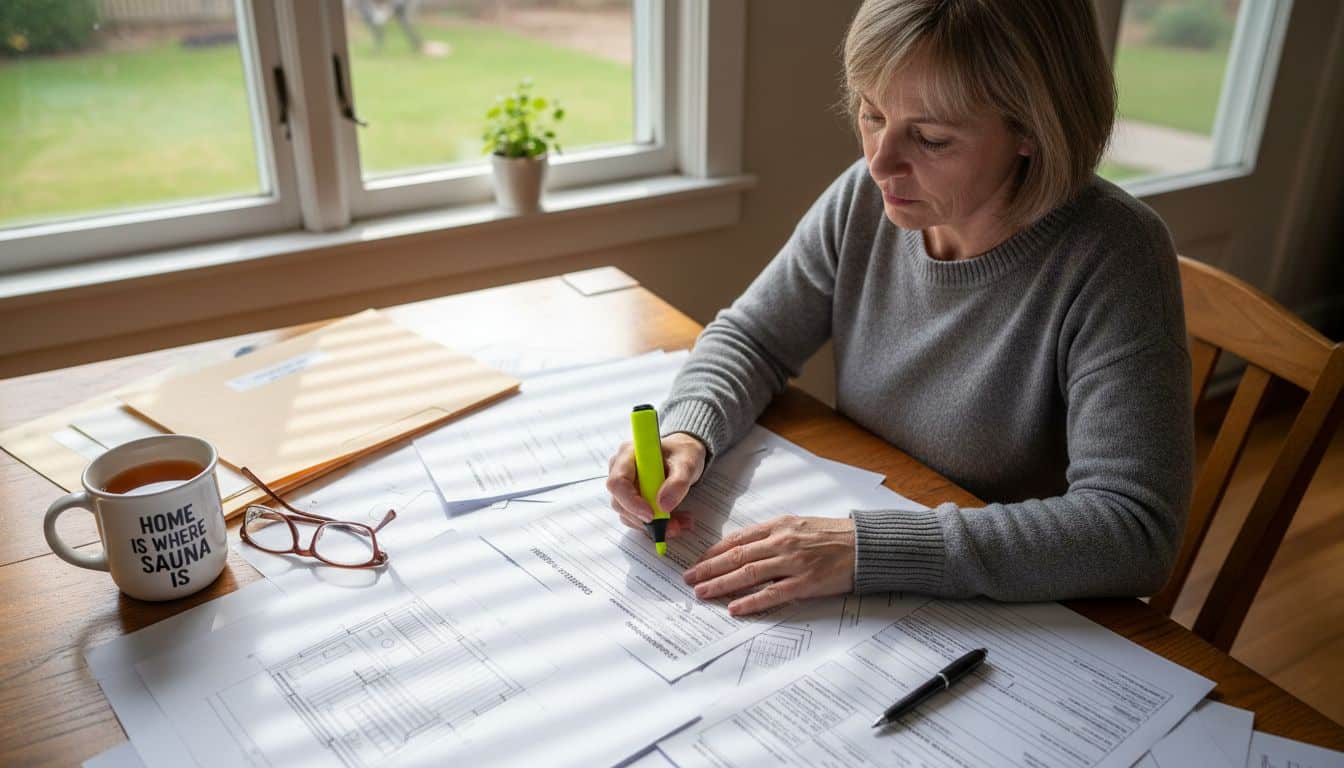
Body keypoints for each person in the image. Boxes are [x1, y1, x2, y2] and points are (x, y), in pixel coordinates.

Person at [606, 0, 1193, 617]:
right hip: (892, 567)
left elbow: (1133, 530)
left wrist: (866, 548)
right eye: (871, 113)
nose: (880, 162)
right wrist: (687, 430)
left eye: (932, 138)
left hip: (1010, 618)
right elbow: (753, 337)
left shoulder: (1117, 255)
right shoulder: (864, 198)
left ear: (1033, 130)